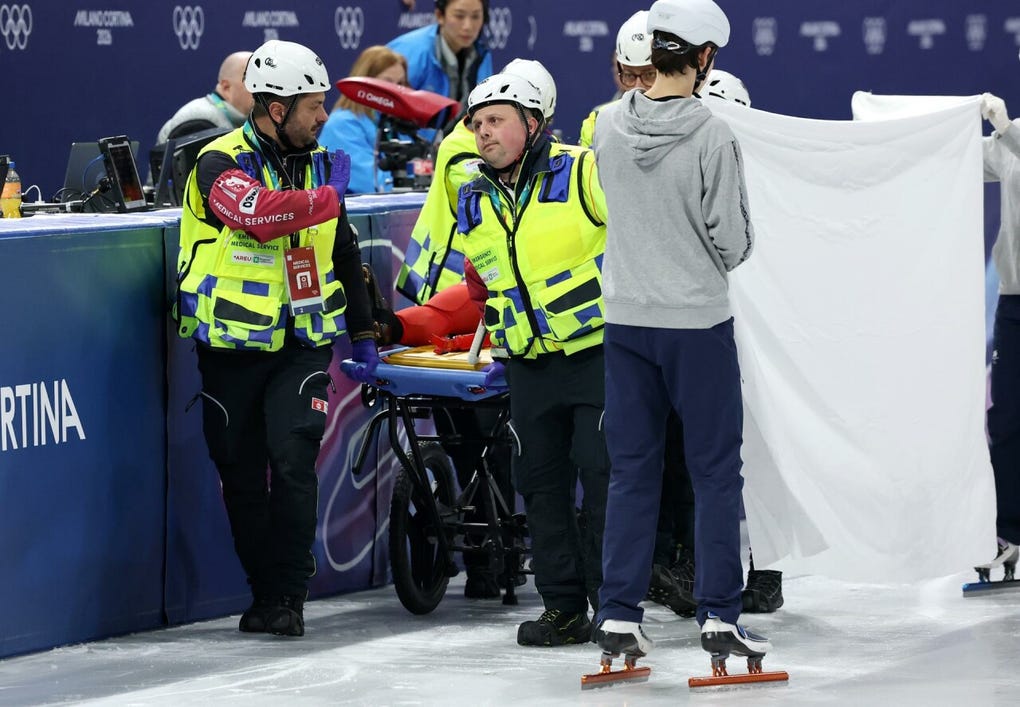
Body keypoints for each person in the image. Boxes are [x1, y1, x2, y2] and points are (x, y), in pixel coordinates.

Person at [174, 40, 380, 638]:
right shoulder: (215, 161)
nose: (325, 117)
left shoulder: (324, 159)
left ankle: (289, 592)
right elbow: (259, 214)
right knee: (240, 473)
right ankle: (264, 590)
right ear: (273, 107)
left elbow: (342, 249)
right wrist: (327, 198)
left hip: (302, 344)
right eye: (314, 106)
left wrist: (363, 334)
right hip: (230, 348)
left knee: (293, 461)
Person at [591, 0, 773, 670]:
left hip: (626, 323)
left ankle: (617, 614)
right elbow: (734, 241)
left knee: (633, 474)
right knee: (716, 474)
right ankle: (721, 619)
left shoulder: (607, 125)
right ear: (702, 57)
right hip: (695, 324)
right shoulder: (714, 133)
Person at [457, 71, 611, 645]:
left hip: (595, 351)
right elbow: (481, 282)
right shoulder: (472, 195)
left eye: (496, 120)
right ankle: (563, 606)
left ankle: (612, 602)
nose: (483, 133)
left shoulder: (582, 170)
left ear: (532, 122)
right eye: (477, 123)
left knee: (603, 477)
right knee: (539, 483)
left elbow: (632, 239)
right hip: (526, 361)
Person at [975, 91, 1020, 578]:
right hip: (1015, 301)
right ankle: (1009, 531)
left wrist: (1007, 130)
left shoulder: (1013, 134)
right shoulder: (1009, 138)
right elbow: (951, 163)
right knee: (1007, 422)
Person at [319, 46, 409, 194]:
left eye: (400, 83)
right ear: (364, 84)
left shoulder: (394, 122)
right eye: (387, 82)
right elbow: (374, 184)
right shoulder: (342, 125)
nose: (395, 90)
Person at [387, 0, 492, 103]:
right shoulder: (411, 53)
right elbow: (376, 106)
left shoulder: (482, 56)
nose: (468, 26)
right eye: (459, 16)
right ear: (439, 16)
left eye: (475, 17)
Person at [579, 11, 654, 149]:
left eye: (649, 75)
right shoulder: (598, 120)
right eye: (630, 75)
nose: (638, 87)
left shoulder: (694, 118)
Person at [156, 51, 254, 144]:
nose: (259, 89)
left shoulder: (238, 120)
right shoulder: (199, 123)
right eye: (251, 82)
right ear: (226, 87)